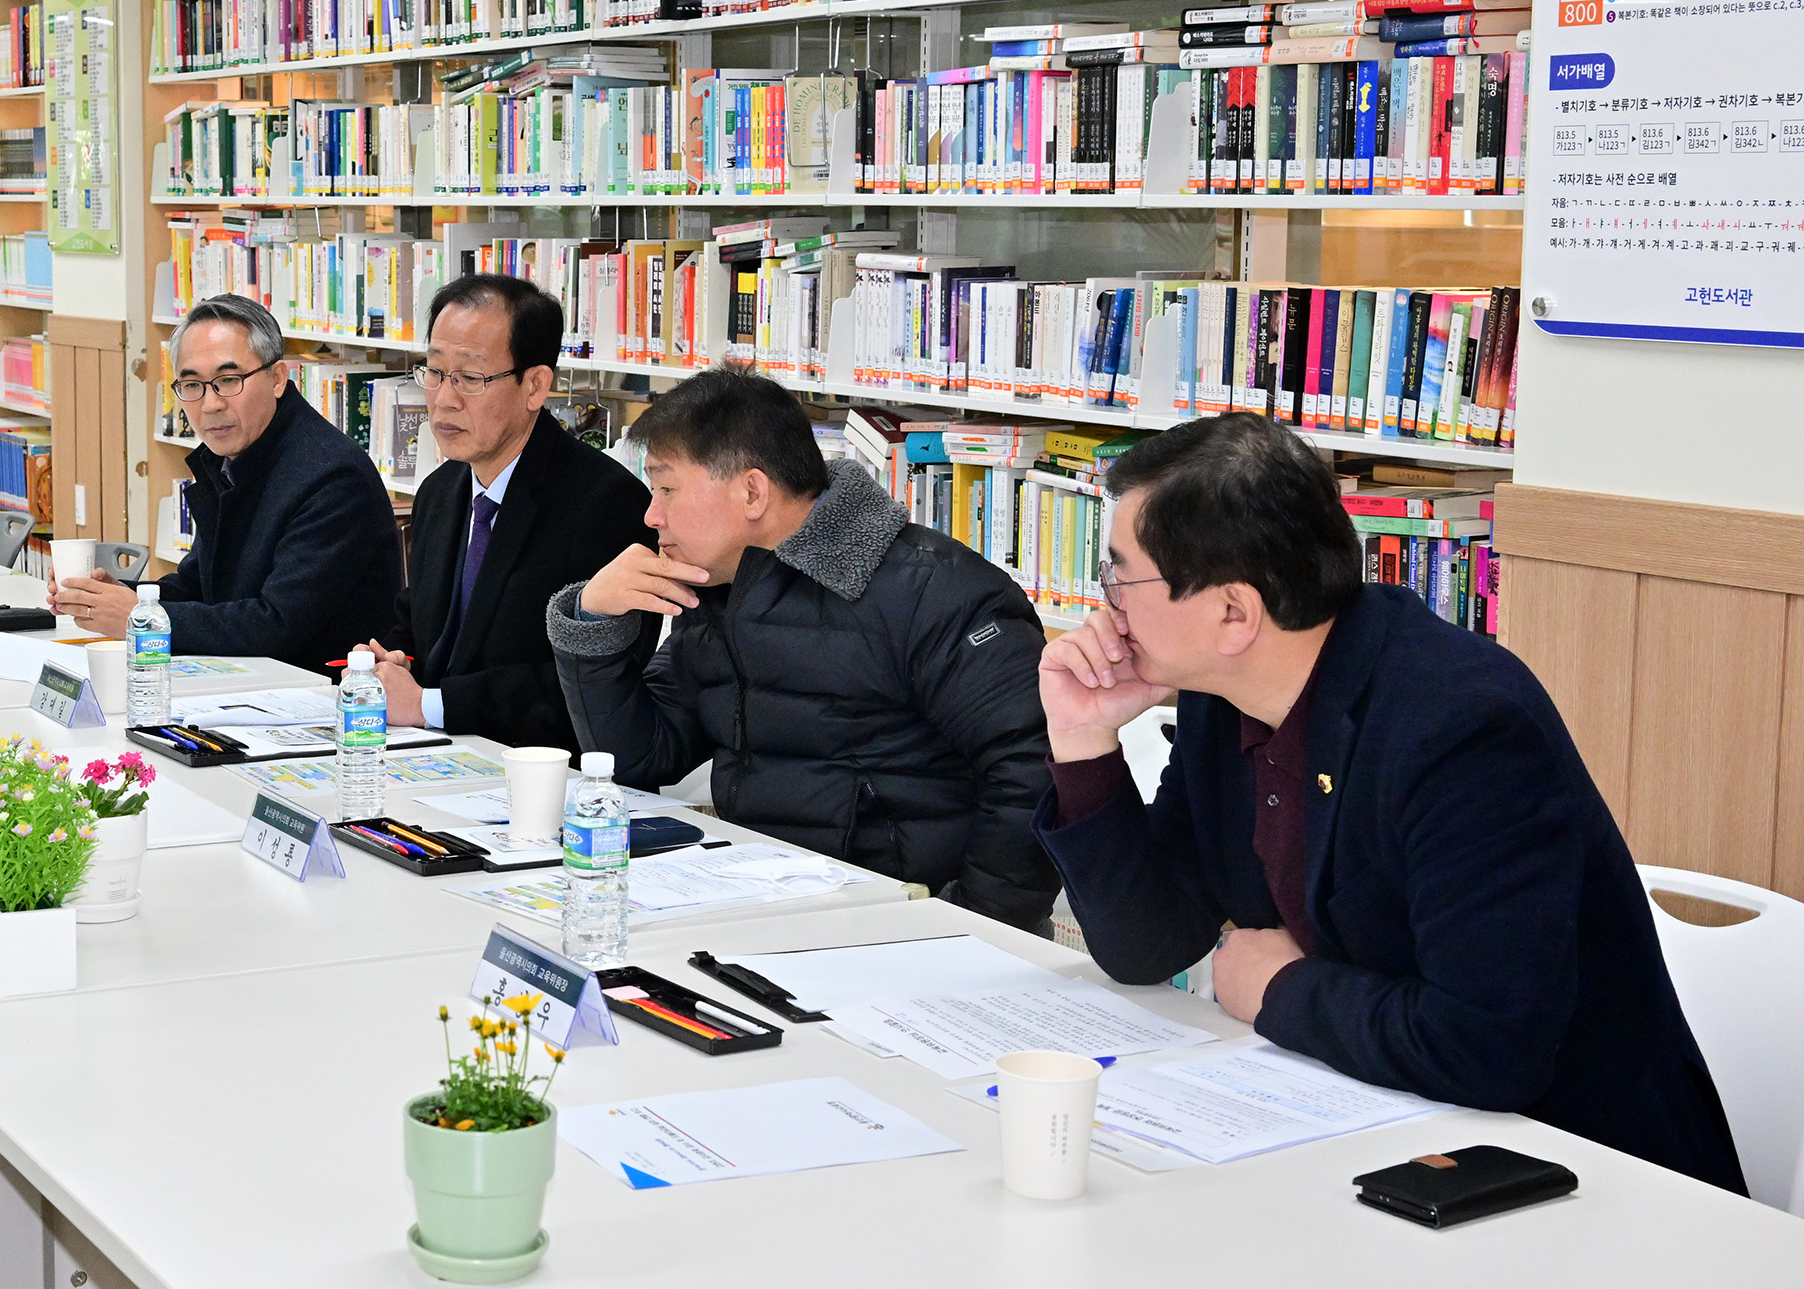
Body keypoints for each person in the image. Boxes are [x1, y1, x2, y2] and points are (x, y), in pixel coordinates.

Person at [1035, 412, 1744, 1191]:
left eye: (1120, 576)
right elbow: (1147, 948)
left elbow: (1489, 1048)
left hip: (1583, 1174)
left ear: (1234, 612)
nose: (1107, 605)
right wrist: (1082, 742)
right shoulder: (1224, 697)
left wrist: (1282, 990)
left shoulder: (1461, 725)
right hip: (1379, 1127)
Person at [546, 367, 1058, 927]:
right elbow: (644, 757)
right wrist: (592, 624)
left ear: (751, 491)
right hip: (764, 902)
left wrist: (969, 925)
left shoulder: (937, 591)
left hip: (900, 922)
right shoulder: (718, 586)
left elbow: (1034, 773)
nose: (651, 516)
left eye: (667, 488)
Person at [353, 273, 648, 749]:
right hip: (433, 760)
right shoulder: (439, 490)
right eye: (433, 372)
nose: (444, 398)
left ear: (535, 386)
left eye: (470, 378)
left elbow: (588, 687)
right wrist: (390, 663)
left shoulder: (607, 505)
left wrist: (428, 705)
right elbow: (415, 627)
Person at [52, 293, 397, 668]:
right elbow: (198, 586)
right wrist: (113, 598)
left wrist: (143, 618)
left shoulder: (332, 477)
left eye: (229, 380)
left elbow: (278, 625)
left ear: (278, 378)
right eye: (192, 385)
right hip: (244, 680)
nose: (211, 404)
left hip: (320, 696)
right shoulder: (234, 456)